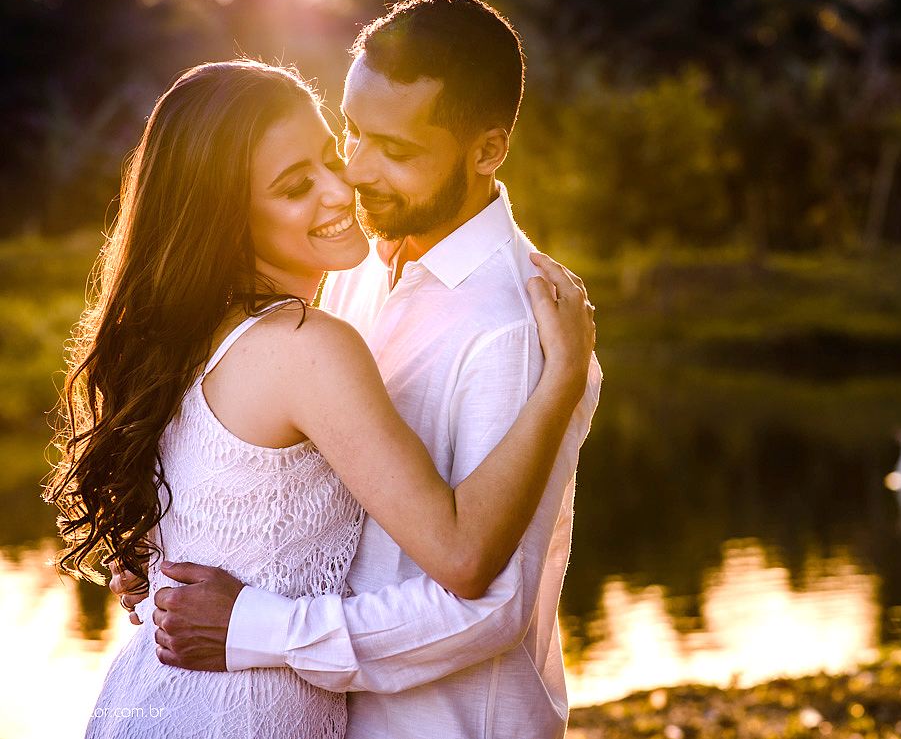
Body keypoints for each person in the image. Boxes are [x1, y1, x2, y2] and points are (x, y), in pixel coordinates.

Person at [48, 57, 596, 739]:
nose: (342, 189)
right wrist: (561, 384)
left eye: (332, 157)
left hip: (153, 700)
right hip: (239, 718)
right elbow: (461, 554)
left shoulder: (190, 332)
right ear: (229, 219)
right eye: (294, 187)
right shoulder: (309, 342)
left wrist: (153, 563)